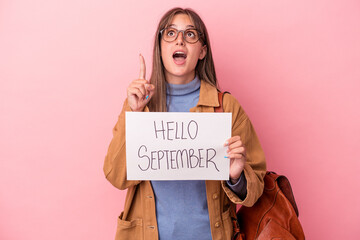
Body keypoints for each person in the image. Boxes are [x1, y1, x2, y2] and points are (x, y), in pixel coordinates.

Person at [103, 7, 266, 240]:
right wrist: (135, 112)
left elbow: (256, 188)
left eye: (190, 34)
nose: (180, 40)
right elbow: (116, 176)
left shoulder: (226, 107)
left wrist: (236, 178)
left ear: (202, 51)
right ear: (160, 47)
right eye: (170, 33)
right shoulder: (139, 105)